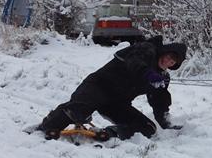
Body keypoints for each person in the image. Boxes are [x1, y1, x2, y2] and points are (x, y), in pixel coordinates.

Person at [34, 36, 187, 140]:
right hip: (98, 87)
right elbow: (135, 62)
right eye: (168, 56)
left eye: (173, 62)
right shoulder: (147, 50)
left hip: (117, 103)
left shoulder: (162, 79)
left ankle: (111, 133)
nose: (168, 61)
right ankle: (46, 126)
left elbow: (159, 102)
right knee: (77, 111)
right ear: (163, 52)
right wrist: (147, 74)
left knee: (148, 128)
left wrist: (166, 122)